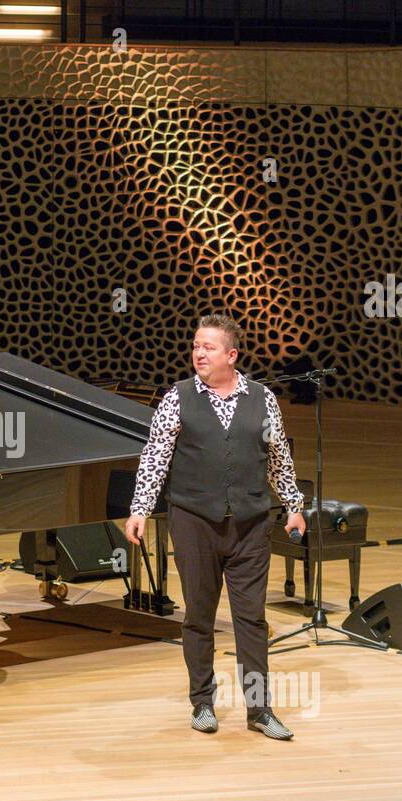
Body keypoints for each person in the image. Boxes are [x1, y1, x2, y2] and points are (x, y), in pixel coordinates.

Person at [125, 315, 306, 740]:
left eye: (207, 347)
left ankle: (259, 710)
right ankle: (202, 702)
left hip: (250, 524)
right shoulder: (177, 398)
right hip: (194, 522)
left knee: (251, 619)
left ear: (231, 355)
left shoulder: (263, 399)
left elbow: (278, 457)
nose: (198, 354)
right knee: (199, 617)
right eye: (195, 346)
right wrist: (139, 509)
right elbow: (154, 459)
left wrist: (294, 504)